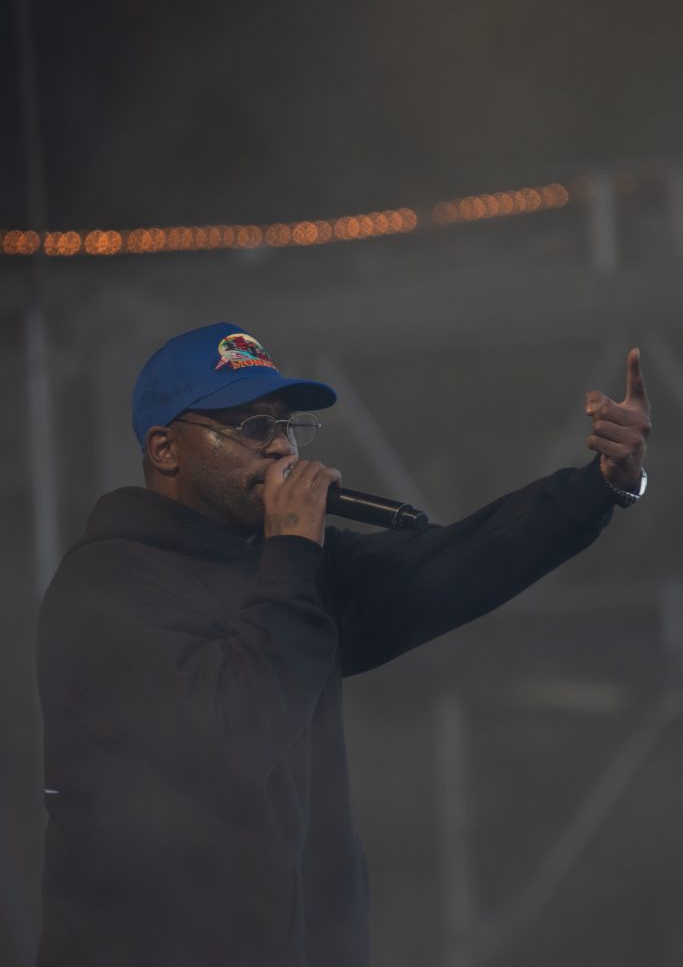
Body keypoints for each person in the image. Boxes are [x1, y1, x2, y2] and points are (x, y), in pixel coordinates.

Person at [36, 321, 651, 967]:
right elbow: (233, 738)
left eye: (286, 427)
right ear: (166, 449)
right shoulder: (107, 590)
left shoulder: (285, 566)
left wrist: (600, 485)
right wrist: (292, 551)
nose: (281, 450)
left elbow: (452, 565)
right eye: (251, 429)